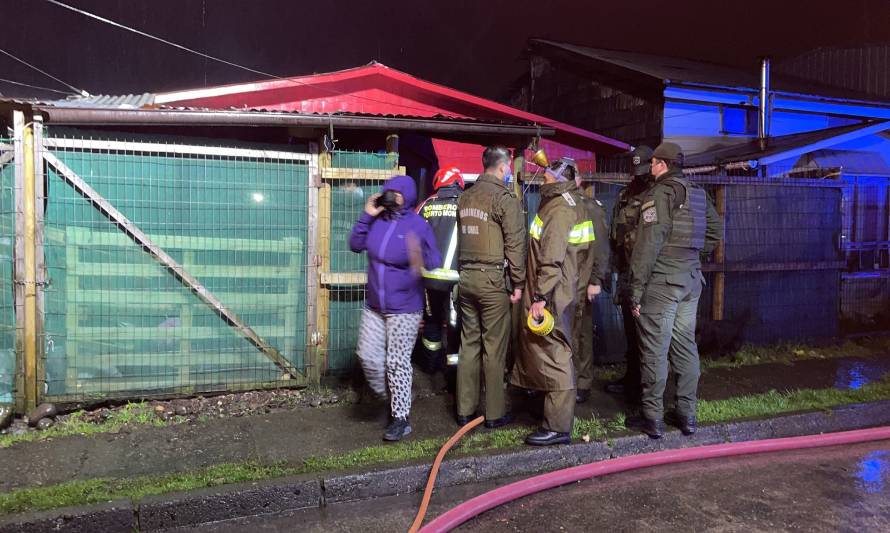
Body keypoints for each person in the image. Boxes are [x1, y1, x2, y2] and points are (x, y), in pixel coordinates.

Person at [629, 142, 723, 439]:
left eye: (653, 163)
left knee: (655, 349)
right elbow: (715, 232)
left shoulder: (660, 193)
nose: (650, 168)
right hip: (691, 279)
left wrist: (636, 289)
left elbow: (648, 244)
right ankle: (687, 415)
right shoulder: (697, 192)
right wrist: (693, 256)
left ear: (661, 164)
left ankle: (653, 417)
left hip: (663, 281)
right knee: (685, 346)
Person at [349, 175, 441, 442]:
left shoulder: (418, 225)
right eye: (387, 190)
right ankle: (396, 396)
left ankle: (401, 418)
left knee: (397, 363)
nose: (390, 195)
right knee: (367, 356)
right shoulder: (377, 220)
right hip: (375, 306)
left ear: (408, 197)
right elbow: (355, 245)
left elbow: (434, 261)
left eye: (396, 192)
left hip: (405, 308)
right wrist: (366, 215)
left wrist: (419, 257)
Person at [511, 158, 588, 446]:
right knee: (548, 351)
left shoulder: (558, 209)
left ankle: (557, 426)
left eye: (547, 174)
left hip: (553, 294)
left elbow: (552, 258)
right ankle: (552, 415)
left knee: (555, 354)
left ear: (557, 178)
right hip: (557, 289)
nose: (542, 176)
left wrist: (540, 298)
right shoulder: (561, 202)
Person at [456, 146, 526, 429]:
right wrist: (518, 283)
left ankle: (464, 410)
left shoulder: (466, 196)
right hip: (493, 281)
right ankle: (494, 414)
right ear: (503, 166)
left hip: (466, 279)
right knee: (494, 348)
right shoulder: (504, 199)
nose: (510, 171)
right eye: (509, 166)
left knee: (468, 344)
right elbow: (515, 245)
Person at [606, 146, 655, 403]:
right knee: (630, 331)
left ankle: (645, 391)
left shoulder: (658, 196)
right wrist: (614, 268)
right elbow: (616, 234)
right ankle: (632, 378)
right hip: (627, 272)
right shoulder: (625, 195)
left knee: (646, 335)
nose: (640, 176)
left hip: (648, 276)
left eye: (643, 170)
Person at [415, 164, 464, 374]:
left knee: (433, 321)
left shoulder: (426, 205)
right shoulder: (466, 204)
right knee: (455, 324)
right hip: (458, 279)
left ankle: (430, 365)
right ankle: (453, 372)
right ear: (458, 182)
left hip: (430, 278)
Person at [568, 161, 610, 405]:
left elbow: (601, 247)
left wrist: (595, 280)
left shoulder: (590, 207)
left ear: (579, 179)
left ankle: (582, 382)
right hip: (566, 280)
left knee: (582, 333)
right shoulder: (562, 205)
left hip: (583, 281)